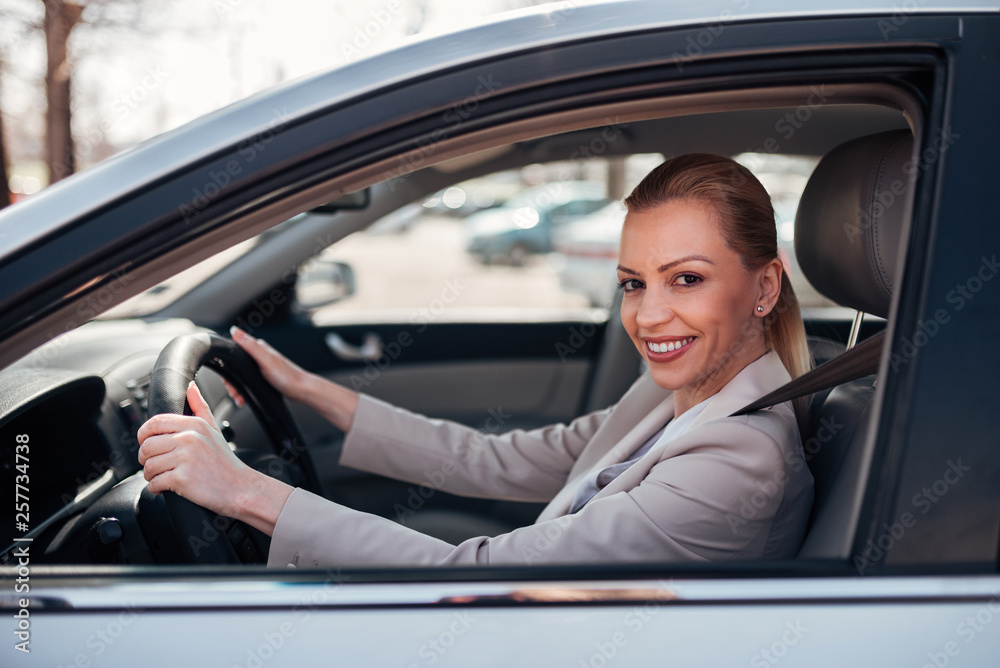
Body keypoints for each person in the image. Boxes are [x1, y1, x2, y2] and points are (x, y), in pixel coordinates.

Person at [137, 154, 815, 568]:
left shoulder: (737, 460)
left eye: (687, 279)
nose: (647, 315)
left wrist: (245, 491)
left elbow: (484, 569)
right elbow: (497, 460)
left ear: (765, 286)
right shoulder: (672, 396)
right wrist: (317, 391)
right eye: (634, 283)